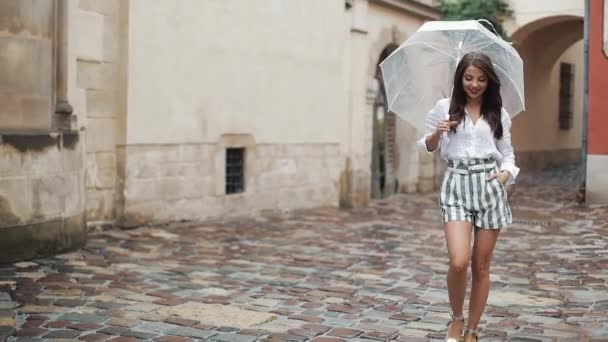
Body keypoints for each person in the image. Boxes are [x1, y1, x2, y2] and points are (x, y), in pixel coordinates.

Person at [416, 52, 519, 342]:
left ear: (489, 81)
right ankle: (457, 319)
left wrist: (504, 175)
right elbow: (427, 145)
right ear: (460, 78)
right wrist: (438, 132)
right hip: (457, 185)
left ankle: (472, 331)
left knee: (481, 266)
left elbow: (508, 154)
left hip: (489, 187)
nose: (474, 84)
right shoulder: (444, 108)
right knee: (459, 260)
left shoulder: (498, 113)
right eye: (469, 78)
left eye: (481, 79)